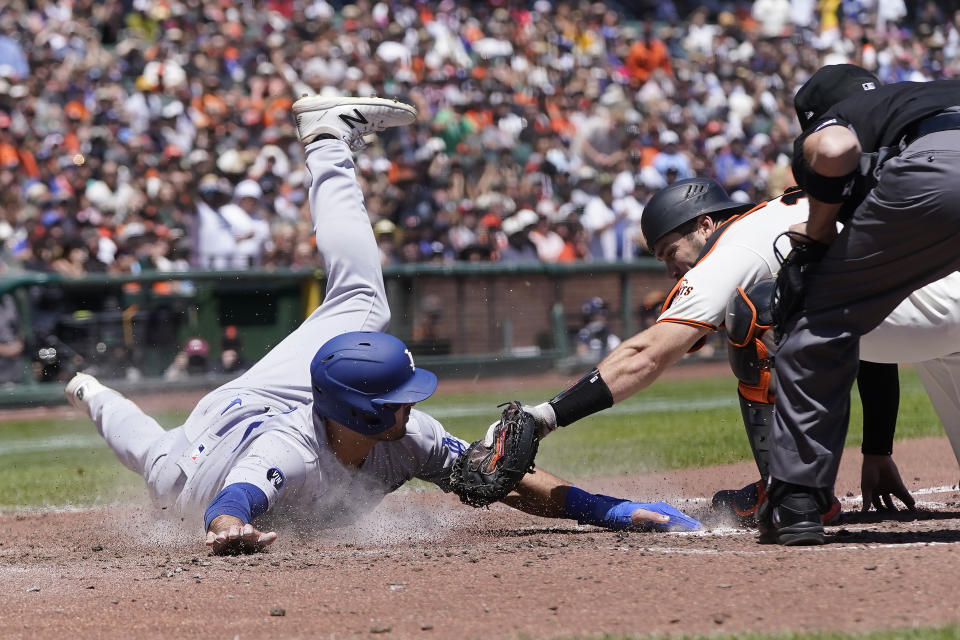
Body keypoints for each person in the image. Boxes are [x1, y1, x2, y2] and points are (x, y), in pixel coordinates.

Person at [64, 96, 700, 555]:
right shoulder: (289, 453)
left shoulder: (403, 431)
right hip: (206, 459)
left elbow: (499, 480)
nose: (414, 405)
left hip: (289, 395)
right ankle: (89, 390)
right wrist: (227, 527)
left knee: (364, 297)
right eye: (400, 399)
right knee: (152, 457)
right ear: (365, 414)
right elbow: (238, 498)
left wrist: (609, 512)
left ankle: (326, 141)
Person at [489, 176, 960, 531]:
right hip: (939, 314)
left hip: (931, 310)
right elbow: (873, 333)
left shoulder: (733, 246)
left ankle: (788, 492)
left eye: (669, 250)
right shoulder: (775, 216)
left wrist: (544, 416)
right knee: (819, 307)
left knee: (753, 314)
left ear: (705, 225)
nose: (670, 266)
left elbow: (648, 355)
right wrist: (877, 450)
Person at [762, 64, 960, 544]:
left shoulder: (841, 118)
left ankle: (798, 499)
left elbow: (834, 150)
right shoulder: (929, 92)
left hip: (936, 174)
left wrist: (815, 237)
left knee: (817, 319)